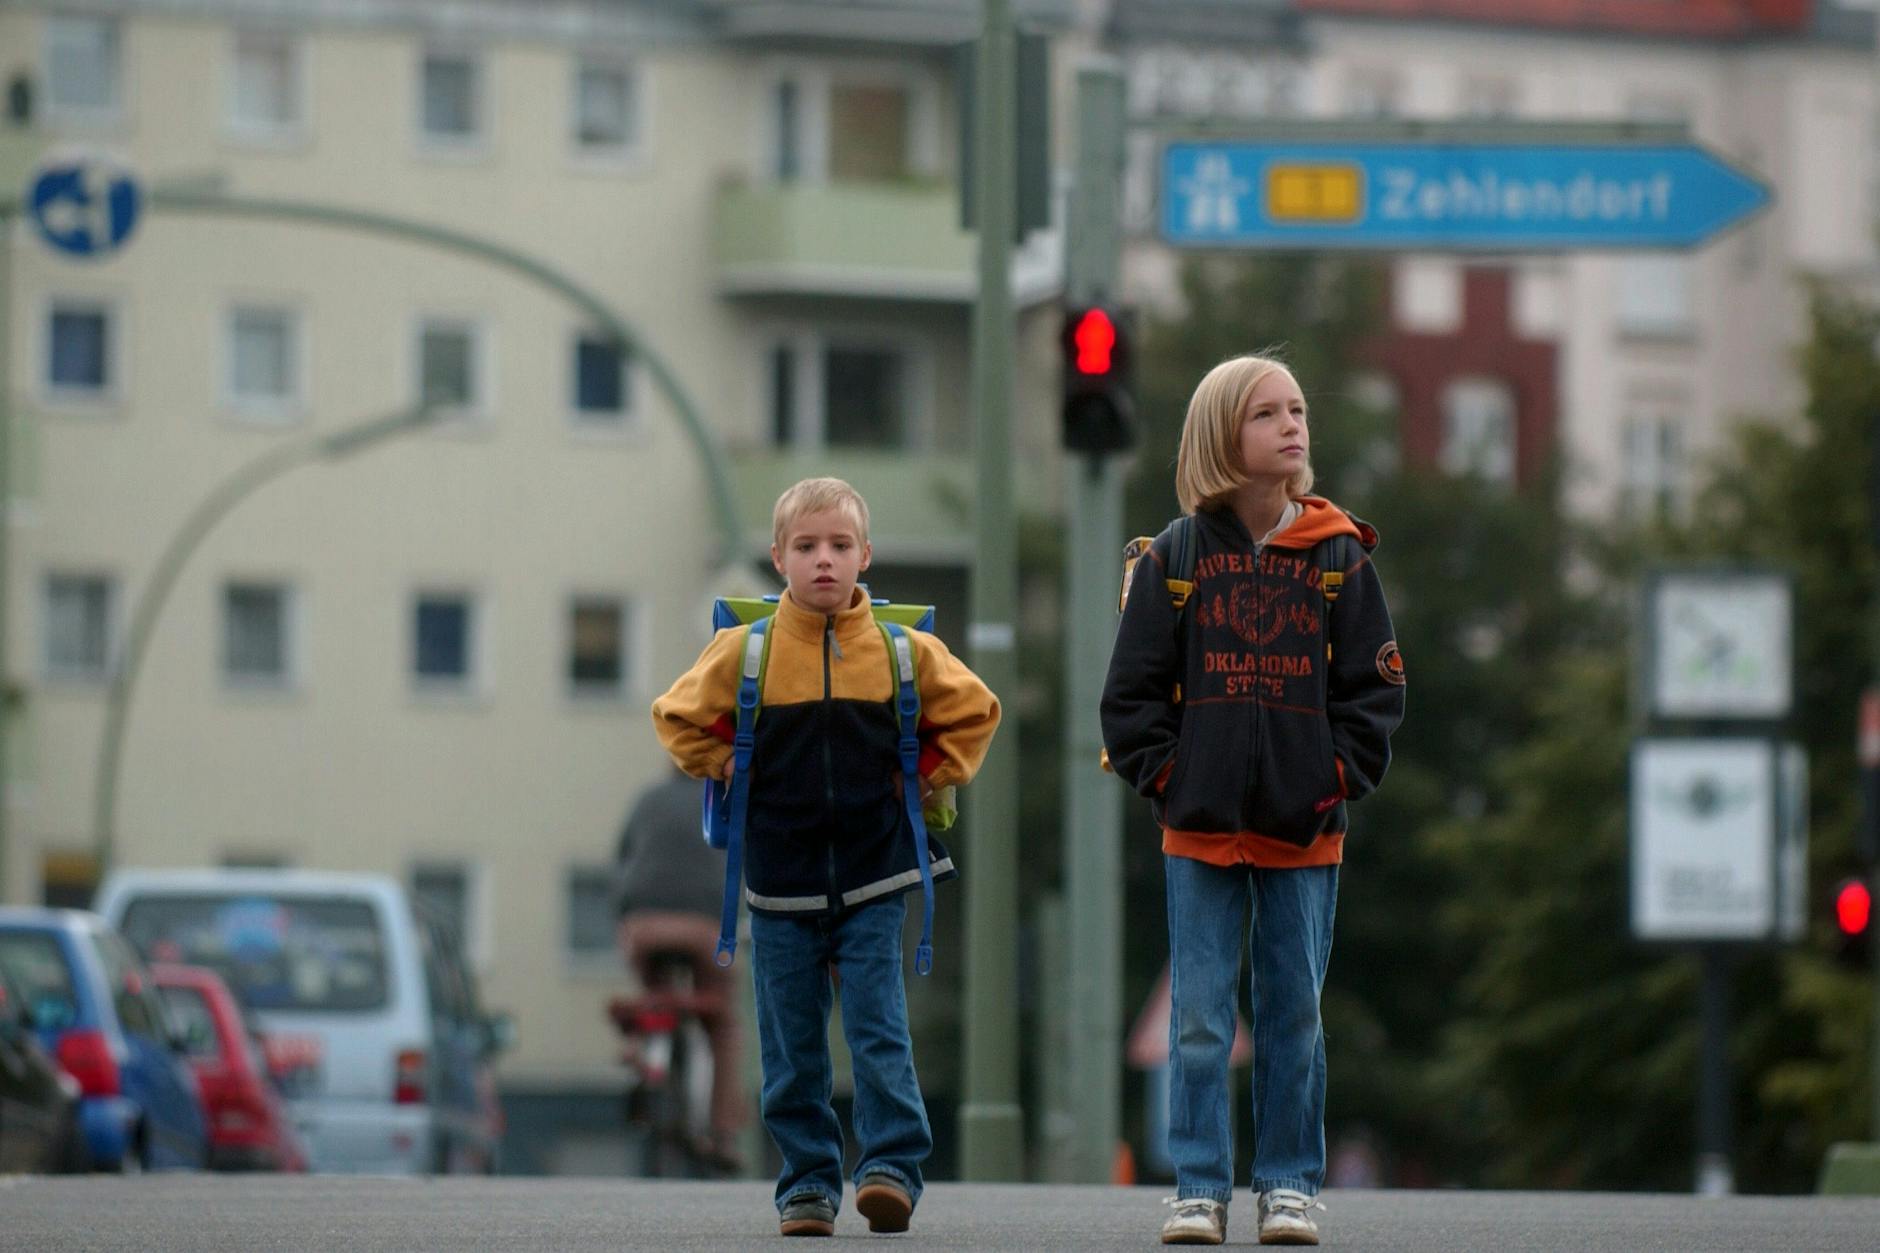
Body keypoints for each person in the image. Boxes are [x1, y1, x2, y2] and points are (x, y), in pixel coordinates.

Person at [1101, 354, 1405, 1247]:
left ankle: (1288, 1189)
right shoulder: (1176, 556)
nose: (1292, 424)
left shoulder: (1340, 556)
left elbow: (1376, 692)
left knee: (1293, 1016)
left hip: (1304, 834)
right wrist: (1170, 781)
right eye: (1267, 413)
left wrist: (1332, 779)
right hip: (1198, 835)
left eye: (1298, 409)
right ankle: (1198, 1189)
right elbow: (1130, 698)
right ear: (1220, 438)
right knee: (1199, 1020)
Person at [652, 476, 1001, 1239]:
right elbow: (675, 716)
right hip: (779, 886)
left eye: (840, 546)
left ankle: (889, 1171)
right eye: (806, 546)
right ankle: (807, 1183)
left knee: (879, 1027)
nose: (824, 560)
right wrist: (720, 762)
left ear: (864, 555)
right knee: (791, 1043)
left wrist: (932, 773)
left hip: (878, 875)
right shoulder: (747, 651)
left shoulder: (903, 650)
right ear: (778, 558)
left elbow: (977, 709)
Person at [613, 763, 746, 1168]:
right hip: (704, 928)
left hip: (643, 925)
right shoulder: (725, 800)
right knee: (721, 1024)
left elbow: (620, 861)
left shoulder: (646, 799)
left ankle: (640, 1056)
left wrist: (623, 916)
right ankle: (722, 1134)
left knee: (653, 996)